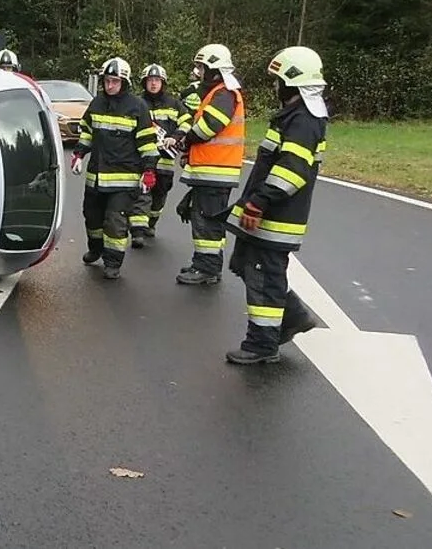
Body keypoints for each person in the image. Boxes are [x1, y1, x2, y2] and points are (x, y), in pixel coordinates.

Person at [222, 46, 329, 364]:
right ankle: (293, 316)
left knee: (264, 277)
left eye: (278, 79)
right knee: (245, 265)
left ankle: (262, 344)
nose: (275, 85)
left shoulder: (303, 120)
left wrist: (258, 204)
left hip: (275, 218)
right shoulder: (295, 115)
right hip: (268, 213)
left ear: (292, 82)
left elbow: (291, 172)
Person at [70, 57, 159, 279]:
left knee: (115, 222)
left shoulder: (137, 107)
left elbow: (148, 144)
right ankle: (96, 248)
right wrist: (79, 153)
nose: (110, 85)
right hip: (96, 178)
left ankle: (113, 262)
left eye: (115, 81)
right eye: (107, 81)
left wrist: (149, 170)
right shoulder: (97, 103)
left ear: (124, 82)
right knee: (91, 217)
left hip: (124, 180)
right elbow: (87, 132)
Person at [172, 43, 246, 286]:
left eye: (202, 68)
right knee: (205, 219)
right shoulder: (219, 93)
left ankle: (207, 268)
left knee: (207, 222)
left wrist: (185, 140)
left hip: (216, 172)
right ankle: (205, 263)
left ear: (214, 70)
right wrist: (189, 151)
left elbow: (208, 127)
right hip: (213, 171)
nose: (198, 73)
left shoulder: (224, 94)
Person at [129, 63, 191, 247]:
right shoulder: (137, 103)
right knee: (142, 192)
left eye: (157, 80)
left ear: (163, 83)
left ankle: (151, 223)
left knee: (160, 194)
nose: (154, 84)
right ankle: (137, 232)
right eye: (150, 80)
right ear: (144, 83)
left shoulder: (174, 104)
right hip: (143, 158)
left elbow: (187, 121)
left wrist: (176, 137)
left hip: (165, 160)